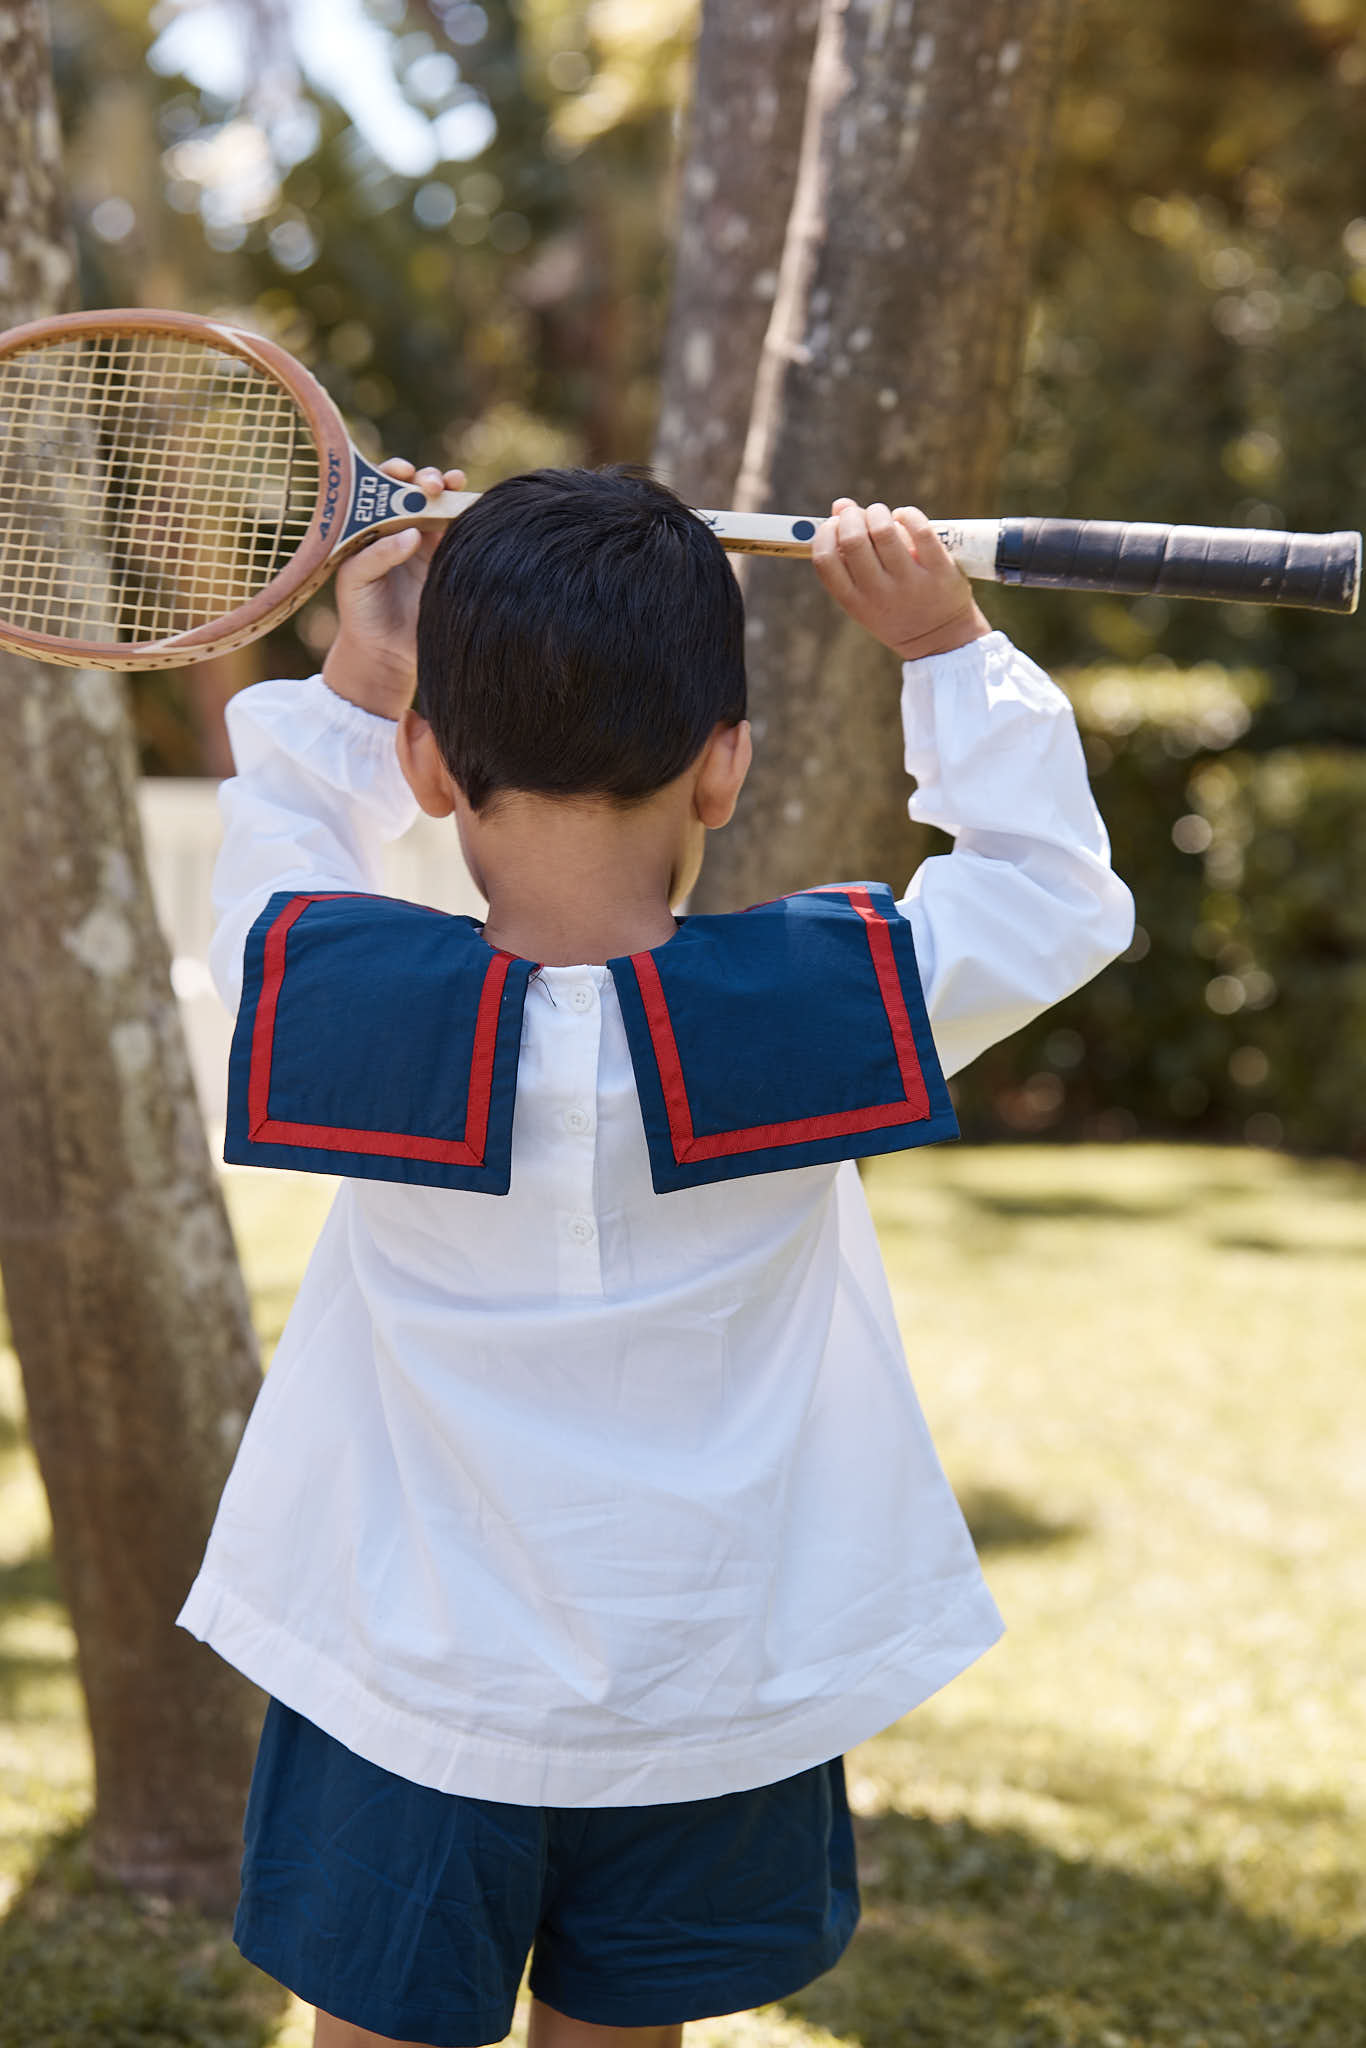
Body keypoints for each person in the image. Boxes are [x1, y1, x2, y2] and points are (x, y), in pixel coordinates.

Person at [179, 460, 1134, 2048]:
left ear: (428, 761)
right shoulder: (819, 1010)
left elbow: (282, 828)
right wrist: (942, 643)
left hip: (409, 1691)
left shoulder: (330, 994)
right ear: (723, 766)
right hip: (709, 1687)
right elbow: (1046, 896)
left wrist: (361, 668)